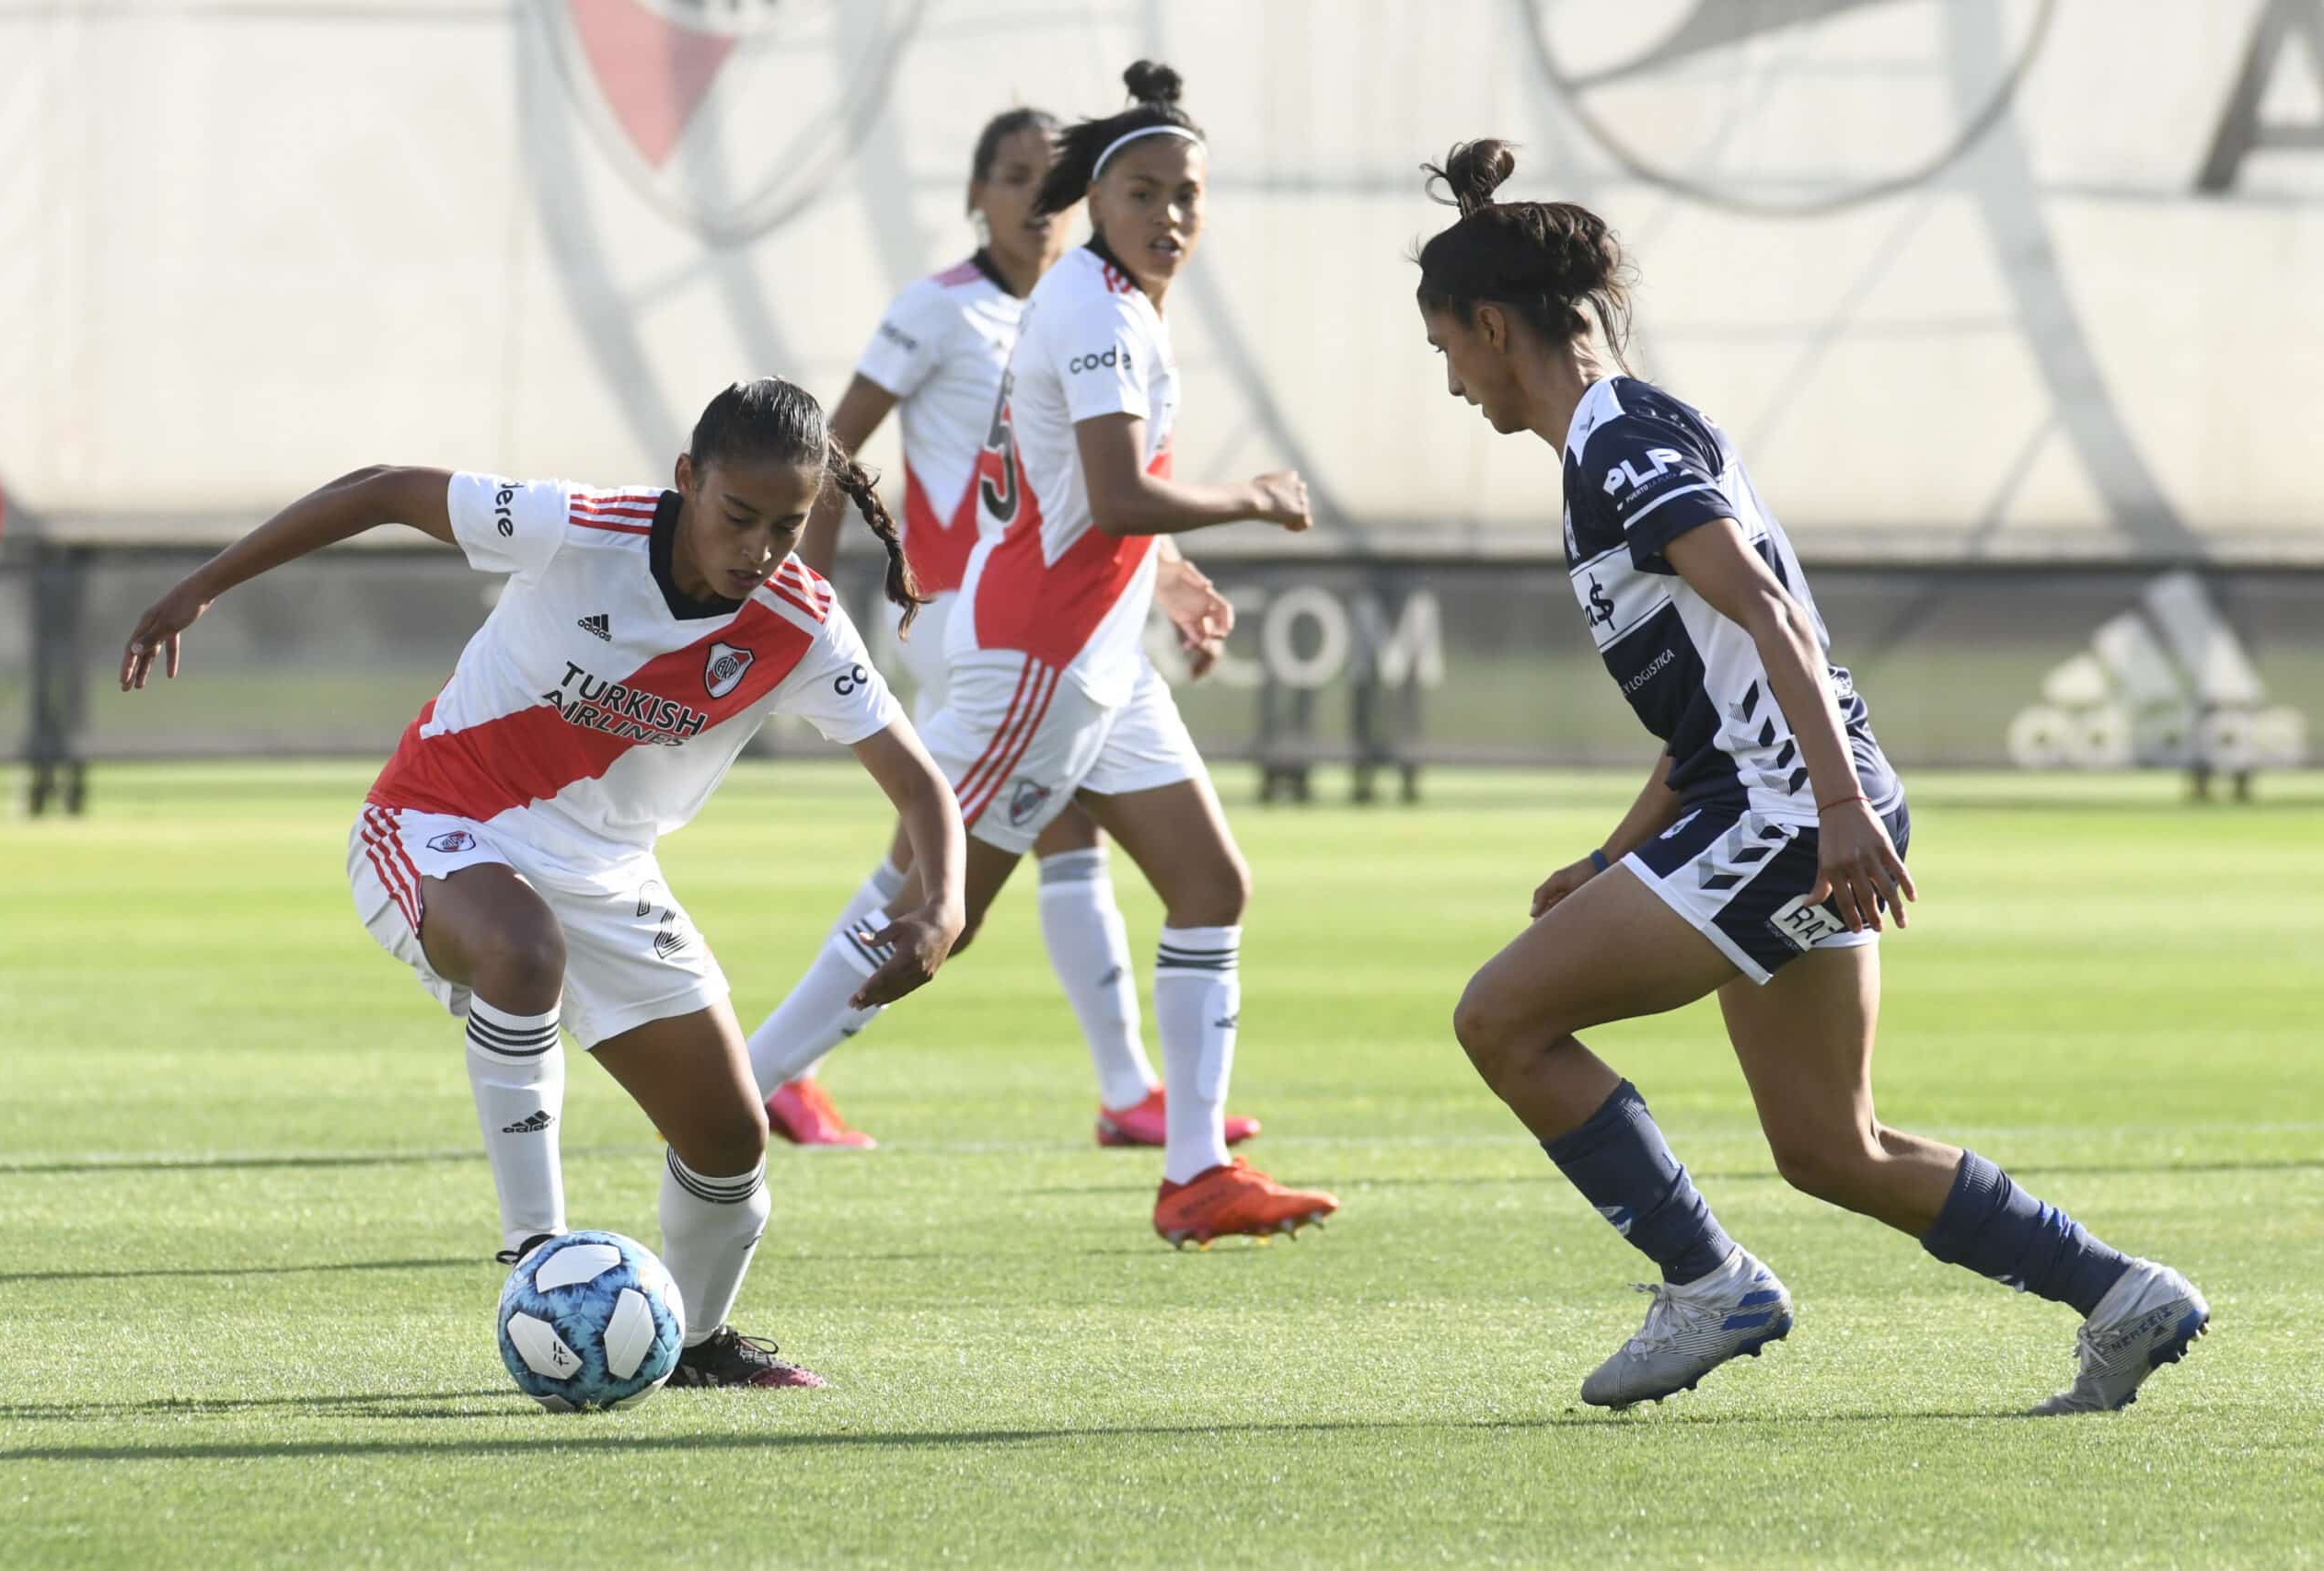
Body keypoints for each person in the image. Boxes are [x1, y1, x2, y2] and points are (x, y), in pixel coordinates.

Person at [1416, 140, 2207, 1415]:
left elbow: (1772, 616)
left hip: (1791, 816)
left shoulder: (1618, 448)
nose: (1450, 380)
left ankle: (1705, 1280)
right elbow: (1708, 711)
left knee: (1501, 1018)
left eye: (1447, 347)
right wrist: (1615, 859)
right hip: (1786, 804)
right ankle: (2122, 1291)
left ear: (1494, 326)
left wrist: (1836, 810)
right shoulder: (1623, 437)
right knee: (1832, 1145)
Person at [118, 378, 966, 1388]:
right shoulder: (575, 528)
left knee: (730, 1143)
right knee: (524, 953)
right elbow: (384, 489)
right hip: (436, 822)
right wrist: (203, 586)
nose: (760, 549)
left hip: (605, 874)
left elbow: (919, 786)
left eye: (787, 526)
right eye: (739, 517)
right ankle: (537, 1259)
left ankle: (694, 1345)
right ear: (688, 481)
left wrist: (943, 908)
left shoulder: (800, 623)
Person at [748, 61, 1338, 1249]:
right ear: (1099, 200)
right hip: (1039, 659)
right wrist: (1250, 498)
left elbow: (1066, 497)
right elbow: (1115, 492)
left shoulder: (1091, 300)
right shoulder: (1089, 307)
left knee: (1211, 884)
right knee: (930, 905)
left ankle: (1194, 1170)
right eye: (1144, 191)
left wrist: (1166, 578)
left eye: (1188, 193)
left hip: (1099, 653)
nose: (1170, 214)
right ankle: (732, 1083)